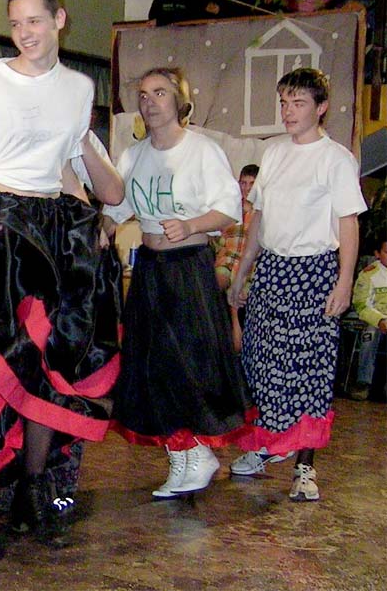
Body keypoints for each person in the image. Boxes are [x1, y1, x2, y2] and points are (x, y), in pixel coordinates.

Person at [0, 0, 124, 564]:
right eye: (15, 23)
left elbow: (67, 165)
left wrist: (91, 220)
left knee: (50, 361)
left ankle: (31, 487)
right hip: (2, 222)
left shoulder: (79, 88)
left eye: (35, 21)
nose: (24, 33)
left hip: (53, 224)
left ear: (59, 19)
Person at [103, 67, 253, 500]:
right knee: (153, 365)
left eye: (160, 93)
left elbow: (229, 209)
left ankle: (197, 452)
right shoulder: (134, 155)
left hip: (187, 267)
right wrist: (100, 233)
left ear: (179, 101)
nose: (150, 102)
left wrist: (190, 225)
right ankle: (181, 456)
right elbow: (115, 208)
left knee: (187, 361)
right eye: (143, 94)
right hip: (150, 267)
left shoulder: (201, 150)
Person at [229, 68, 366, 499]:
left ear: (321, 107)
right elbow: (259, 218)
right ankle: (266, 445)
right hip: (272, 270)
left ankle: (305, 468)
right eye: (284, 102)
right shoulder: (273, 153)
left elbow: (348, 223)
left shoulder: (335, 158)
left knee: (310, 369)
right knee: (261, 363)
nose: (288, 111)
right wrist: (242, 271)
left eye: (299, 103)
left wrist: (344, 281)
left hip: (315, 272)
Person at [214, 164, 259, 352]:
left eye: (251, 184)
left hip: (249, 269)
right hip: (225, 263)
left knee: (237, 300)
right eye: (243, 183)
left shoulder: (261, 213)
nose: (246, 188)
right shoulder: (229, 209)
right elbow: (216, 240)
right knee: (210, 288)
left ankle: (236, 352)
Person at [349, 240, 387, 401]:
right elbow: (361, 306)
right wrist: (380, 320)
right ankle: (363, 382)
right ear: (377, 254)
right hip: (373, 320)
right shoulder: (368, 274)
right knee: (369, 335)